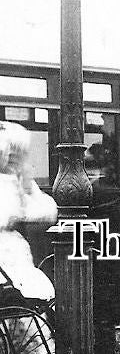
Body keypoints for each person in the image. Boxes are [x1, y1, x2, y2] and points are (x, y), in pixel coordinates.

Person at [0, 122, 57, 304]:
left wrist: (27, 191)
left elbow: (48, 211)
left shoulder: (21, 181)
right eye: (11, 152)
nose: (14, 158)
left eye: (19, 153)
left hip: (13, 251)